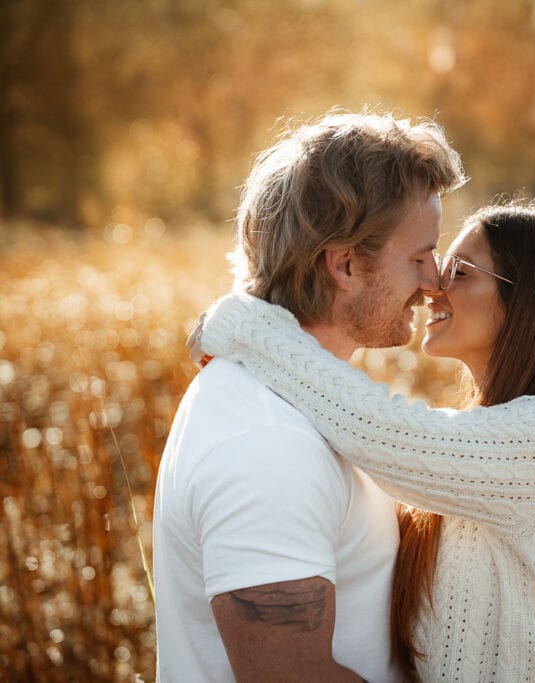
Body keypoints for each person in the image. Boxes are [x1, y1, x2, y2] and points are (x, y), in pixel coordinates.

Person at [192, 201, 535, 681]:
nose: (433, 286)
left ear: (532, 299)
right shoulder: (493, 432)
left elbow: (378, 430)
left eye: (461, 272)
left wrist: (244, 323)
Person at [152, 111, 465, 682]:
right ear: (345, 264)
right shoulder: (266, 442)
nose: (433, 280)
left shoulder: (307, 404)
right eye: (420, 256)